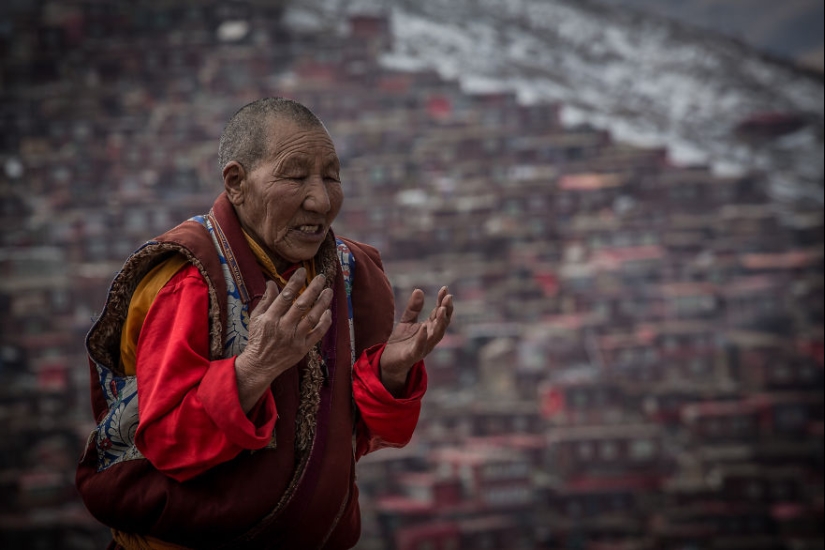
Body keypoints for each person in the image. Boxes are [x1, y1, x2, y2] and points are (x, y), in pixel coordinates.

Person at [76, 97, 454, 549]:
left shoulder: (349, 272)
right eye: (295, 176)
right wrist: (253, 368)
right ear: (236, 182)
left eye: (331, 176)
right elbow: (168, 446)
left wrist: (390, 373)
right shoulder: (191, 282)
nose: (320, 198)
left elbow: (356, 433)